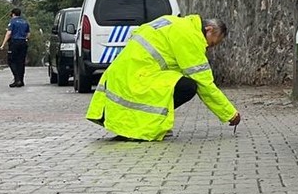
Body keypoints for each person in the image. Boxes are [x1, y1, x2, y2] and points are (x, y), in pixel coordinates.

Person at [86, 15, 242, 141]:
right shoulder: (190, 37)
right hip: (136, 79)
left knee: (176, 80)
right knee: (188, 86)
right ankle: (146, 125)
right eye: (212, 43)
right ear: (208, 29)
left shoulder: (174, 21)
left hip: (119, 75)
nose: (209, 47)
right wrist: (230, 114)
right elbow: (204, 83)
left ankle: (137, 125)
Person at [0, 8, 31, 88]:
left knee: (11, 61)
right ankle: (21, 80)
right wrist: (26, 40)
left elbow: (9, 33)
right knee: (21, 62)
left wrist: (3, 44)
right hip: (23, 42)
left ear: (13, 14)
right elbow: (28, 34)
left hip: (15, 42)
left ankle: (17, 79)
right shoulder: (25, 22)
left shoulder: (12, 22)